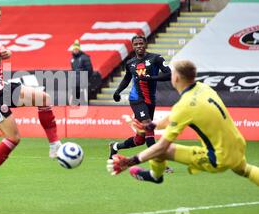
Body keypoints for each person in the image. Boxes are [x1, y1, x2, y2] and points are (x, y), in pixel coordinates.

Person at [0, 0, 62, 203]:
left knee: (44, 98)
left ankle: (55, 146)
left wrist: (5, 54)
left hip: (2, 87)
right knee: (14, 137)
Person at [107, 60, 259, 187]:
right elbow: (174, 116)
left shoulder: (185, 105)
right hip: (238, 145)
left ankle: (155, 175)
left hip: (218, 158)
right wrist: (151, 126)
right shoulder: (203, 87)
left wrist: (130, 161)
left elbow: (161, 147)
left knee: (162, 150)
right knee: (244, 170)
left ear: (176, 78)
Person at [109, 35, 171, 168]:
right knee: (149, 128)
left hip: (150, 100)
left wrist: (151, 78)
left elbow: (169, 74)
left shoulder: (156, 58)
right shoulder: (130, 63)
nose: (139, 46)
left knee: (140, 139)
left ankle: (115, 146)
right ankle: (159, 163)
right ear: (133, 46)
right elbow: (127, 78)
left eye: (141, 43)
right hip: (136, 99)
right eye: (136, 44)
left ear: (145, 44)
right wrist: (117, 91)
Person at [70, 39, 93, 104]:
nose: (75, 50)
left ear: (79, 49)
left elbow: (90, 70)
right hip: (75, 83)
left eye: (76, 49)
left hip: (83, 83)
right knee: (75, 101)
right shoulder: (72, 59)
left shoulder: (85, 57)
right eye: (74, 49)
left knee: (84, 101)